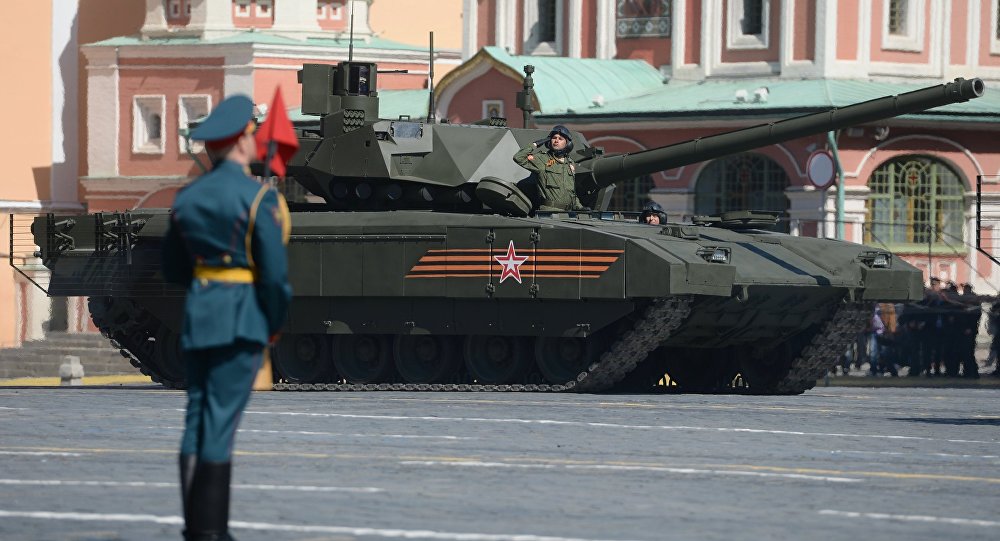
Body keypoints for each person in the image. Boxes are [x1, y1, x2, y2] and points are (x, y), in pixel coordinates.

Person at [162, 95, 292, 541]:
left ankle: (194, 526)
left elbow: (173, 269)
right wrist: (273, 323)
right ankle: (210, 532)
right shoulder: (257, 198)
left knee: (197, 417)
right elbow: (274, 277)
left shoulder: (187, 198)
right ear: (240, 141)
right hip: (242, 318)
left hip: (200, 316)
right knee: (220, 423)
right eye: (252, 134)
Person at [513, 124, 588, 212]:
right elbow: (518, 157)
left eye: (560, 139)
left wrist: (579, 207)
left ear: (567, 143)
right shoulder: (542, 159)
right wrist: (536, 144)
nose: (556, 141)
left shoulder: (570, 163)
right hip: (549, 212)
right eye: (554, 138)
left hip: (568, 213)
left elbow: (571, 191)